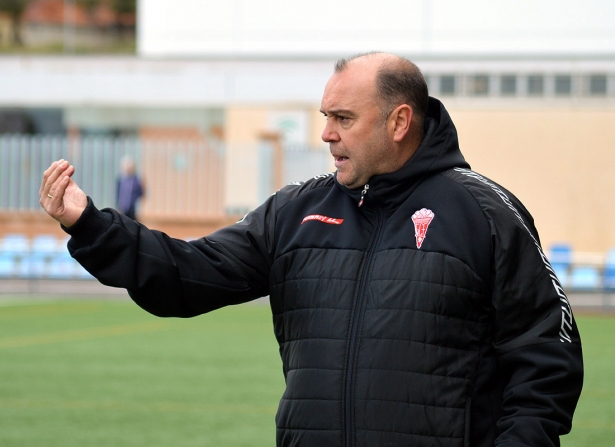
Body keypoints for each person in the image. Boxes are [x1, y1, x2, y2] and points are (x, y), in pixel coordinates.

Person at [39, 52, 583, 447]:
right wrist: (89, 224)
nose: (325, 133)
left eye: (343, 118)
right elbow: (187, 274)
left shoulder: (485, 213)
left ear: (399, 122)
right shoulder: (294, 213)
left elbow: (546, 360)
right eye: (325, 115)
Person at [116, 156, 144, 221]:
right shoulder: (120, 180)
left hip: (132, 209)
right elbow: (117, 194)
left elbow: (141, 193)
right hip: (122, 208)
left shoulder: (136, 180)